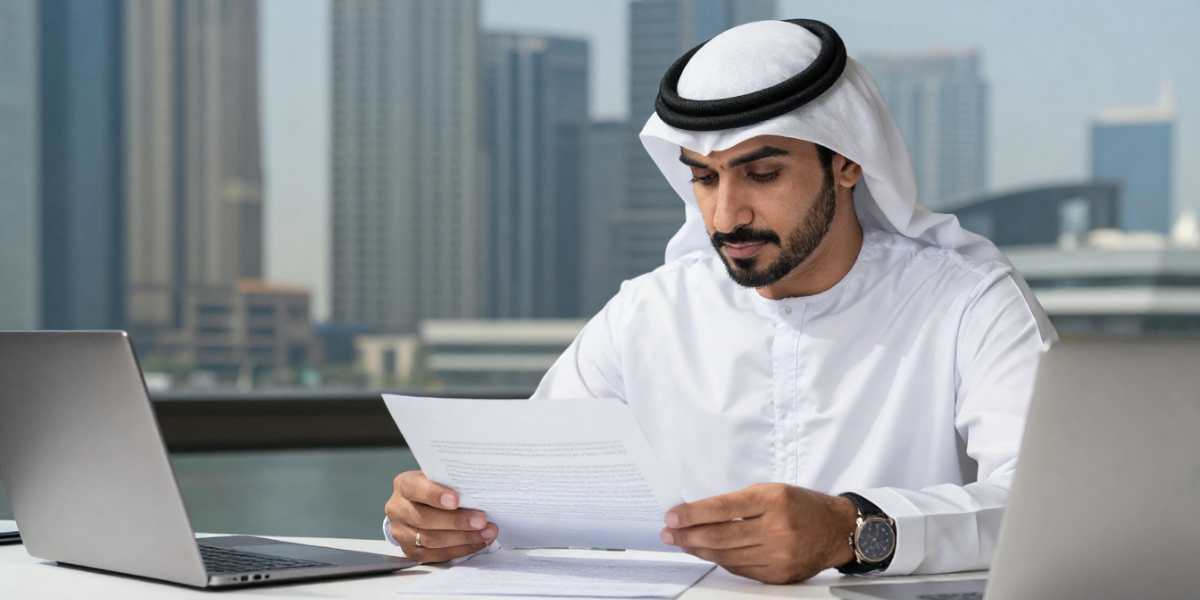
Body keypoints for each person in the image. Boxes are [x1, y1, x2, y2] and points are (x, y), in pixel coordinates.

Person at [384, 19, 1055, 584]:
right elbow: (515, 492)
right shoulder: (647, 314)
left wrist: (850, 530)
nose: (727, 215)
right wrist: (432, 522)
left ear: (847, 162)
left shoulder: (969, 303)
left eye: (762, 173)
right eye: (704, 179)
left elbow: (1052, 503)